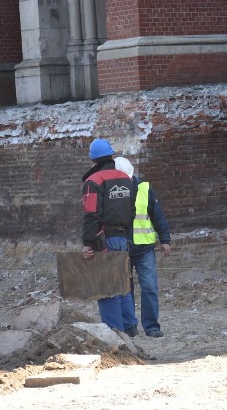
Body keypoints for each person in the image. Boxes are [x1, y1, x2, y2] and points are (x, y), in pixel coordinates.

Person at [81, 138, 139, 336]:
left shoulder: (94, 182)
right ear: (111, 155)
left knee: (107, 288)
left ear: (93, 159)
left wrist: (88, 243)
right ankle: (130, 326)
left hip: (103, 239)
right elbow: (132, 211)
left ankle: (114, 332)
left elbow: (91, 214)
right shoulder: (126, 178)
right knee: (121, 282)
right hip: (122, 238)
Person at [114, 156, 171, 338]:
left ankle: (152, 327)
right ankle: (129, 327)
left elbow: (158, 215)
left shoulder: (145, 189)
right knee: (125, 290)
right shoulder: (112, 191)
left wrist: (165, 239)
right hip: (122, 249)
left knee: (149, 287)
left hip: (144, 248)